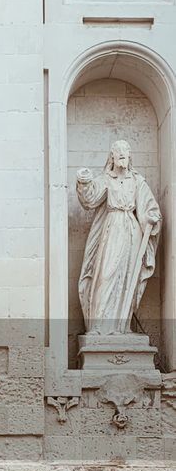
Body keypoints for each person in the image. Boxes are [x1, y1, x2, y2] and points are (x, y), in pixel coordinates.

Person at [77, 139, 161, 336]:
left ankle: (123, 327)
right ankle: (98, 326)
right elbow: (90, 199)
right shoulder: (107, 179)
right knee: (106, 274)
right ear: (112, 157)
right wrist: (84, 181)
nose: (122, 154)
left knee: (127, 277)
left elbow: (150, 206)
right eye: (118, 152)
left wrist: (151, 217)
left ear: (130, 156)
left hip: (132, 231)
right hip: (112, 229)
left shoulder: (137, 181)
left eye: (126, 151)